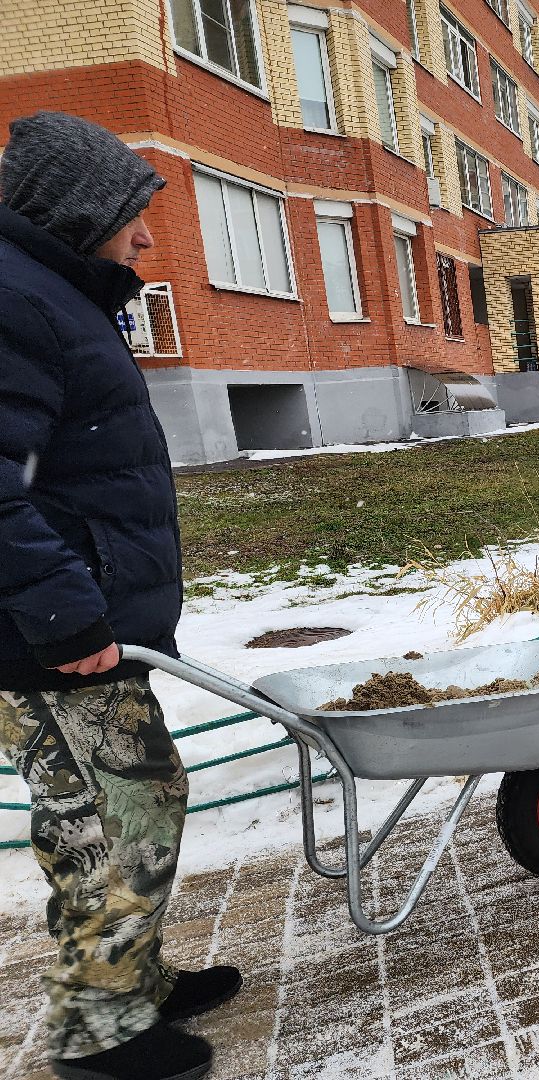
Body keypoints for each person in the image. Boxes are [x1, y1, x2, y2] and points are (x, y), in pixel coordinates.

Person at [0, 112, 241, 1080]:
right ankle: (101, 1034)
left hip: (64, 625)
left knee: (90, 813)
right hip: (53, 633)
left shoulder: (52, 295)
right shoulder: (21, 303)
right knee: (126, 809)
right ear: (75, 212)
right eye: (131, 214)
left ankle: (123, 983)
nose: (147, 236)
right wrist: (66, 615)